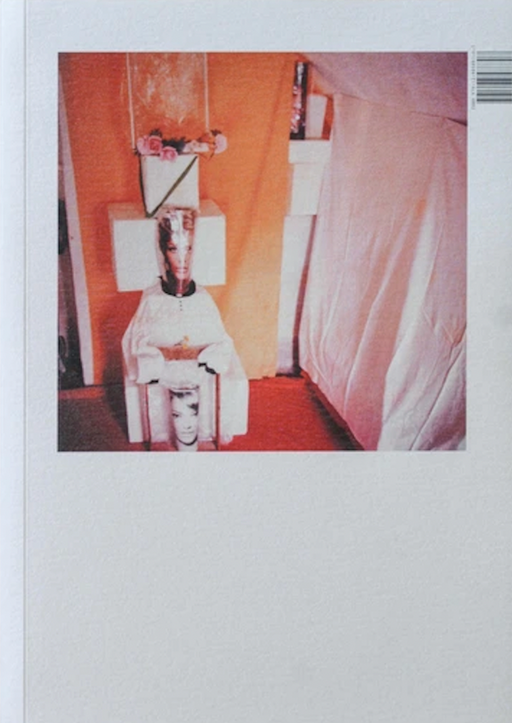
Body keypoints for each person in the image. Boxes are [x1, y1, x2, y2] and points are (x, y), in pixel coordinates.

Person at [122, 206, 248, 448]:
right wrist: (156, 357)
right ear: (163, 252)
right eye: (173, 249)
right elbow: (135, 343)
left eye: (188, 249)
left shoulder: (202, 299)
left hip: (198, 381)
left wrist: (208, 356)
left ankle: (197, 435)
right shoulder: (152, 300)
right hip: (164, 379)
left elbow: (222, 342)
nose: (182, 258)